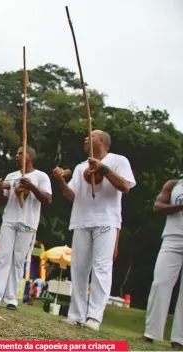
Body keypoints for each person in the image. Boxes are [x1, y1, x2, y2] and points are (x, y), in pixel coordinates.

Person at [53, 130, 136, 331]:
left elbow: (125, 187)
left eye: (90, 137)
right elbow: (72, 196)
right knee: (79, 268)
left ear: (101, 141)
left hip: (106, 220)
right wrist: (61, 181)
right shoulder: (81, 166)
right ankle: (76, 315)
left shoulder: (118, 160)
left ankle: (94, 317)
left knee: (101, 267)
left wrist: (103, 169)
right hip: (81, 220)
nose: (85, 139)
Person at [0, 146, 52, 311]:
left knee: (18, 261)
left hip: (28, 222)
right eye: (16, 153)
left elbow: (47, 199)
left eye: (20, 153)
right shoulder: (11, 177)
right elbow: (2, 201)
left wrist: (31, 187)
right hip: (9, 220)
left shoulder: (41, 176)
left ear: (29, 157)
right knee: (3, 257)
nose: (16, 156)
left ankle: (11, 299)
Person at [144, 179, 183, 349]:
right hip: (172, 237)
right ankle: (151, 333)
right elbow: (157, 207)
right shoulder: (174, 184)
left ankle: (179, 339)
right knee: (160, 283)